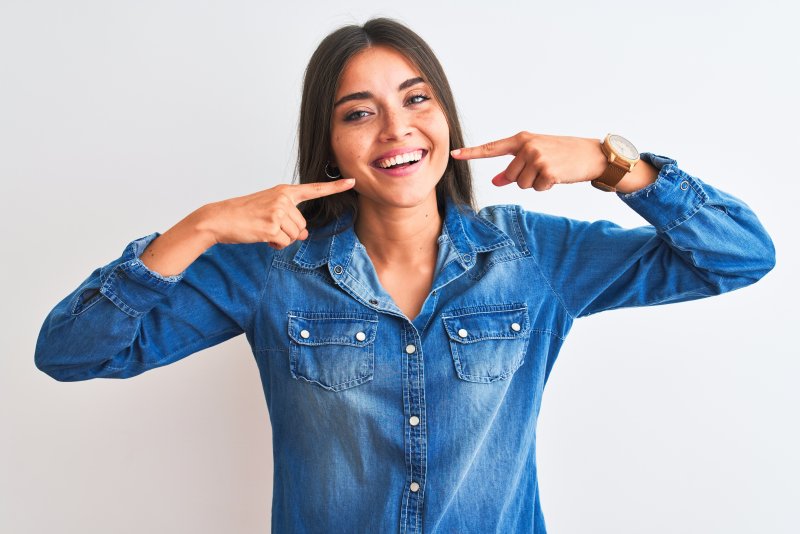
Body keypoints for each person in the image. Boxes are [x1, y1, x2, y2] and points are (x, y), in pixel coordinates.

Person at [34, 17, 775, 534]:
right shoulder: (270, 268)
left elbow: (740, 254)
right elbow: (72, 352)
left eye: (416, 99)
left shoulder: (534, 257)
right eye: (360, 113)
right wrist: (196, 228)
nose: (396, 129)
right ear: (328, 146)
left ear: (446, 117)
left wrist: (615, 165)